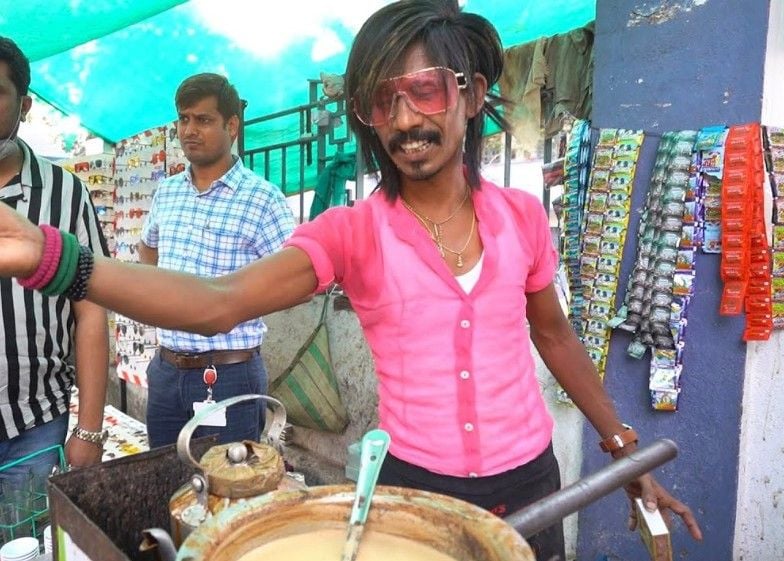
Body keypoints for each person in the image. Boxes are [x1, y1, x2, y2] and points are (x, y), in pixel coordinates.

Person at [0, 2, 703, 558]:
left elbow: (554, 335)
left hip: (531, 480)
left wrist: (622, 446)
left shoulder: (521, 218)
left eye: (424, 91)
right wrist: (56, 259)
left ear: (471, 93)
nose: (403, 120)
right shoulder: (352, 231)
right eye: (381, 100)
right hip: (412, 491)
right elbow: (219, 303)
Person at [137, 73, 296, 448]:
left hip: (229, 372)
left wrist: (232, 306)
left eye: (204, 120)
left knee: (227, 490)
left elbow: (298, 278)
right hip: (166, 370)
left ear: (232, 126)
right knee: (162, 482)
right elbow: (148, 249)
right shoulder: (168, 192)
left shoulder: (263, 200)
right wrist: (159, 301)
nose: (190, 130)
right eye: (184, 119)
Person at [0, 37, 109, 486]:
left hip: (35, 427)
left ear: (24, 105)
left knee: (30, 550)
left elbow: (91, 311)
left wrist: (89, 429)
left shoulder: (65, 194)